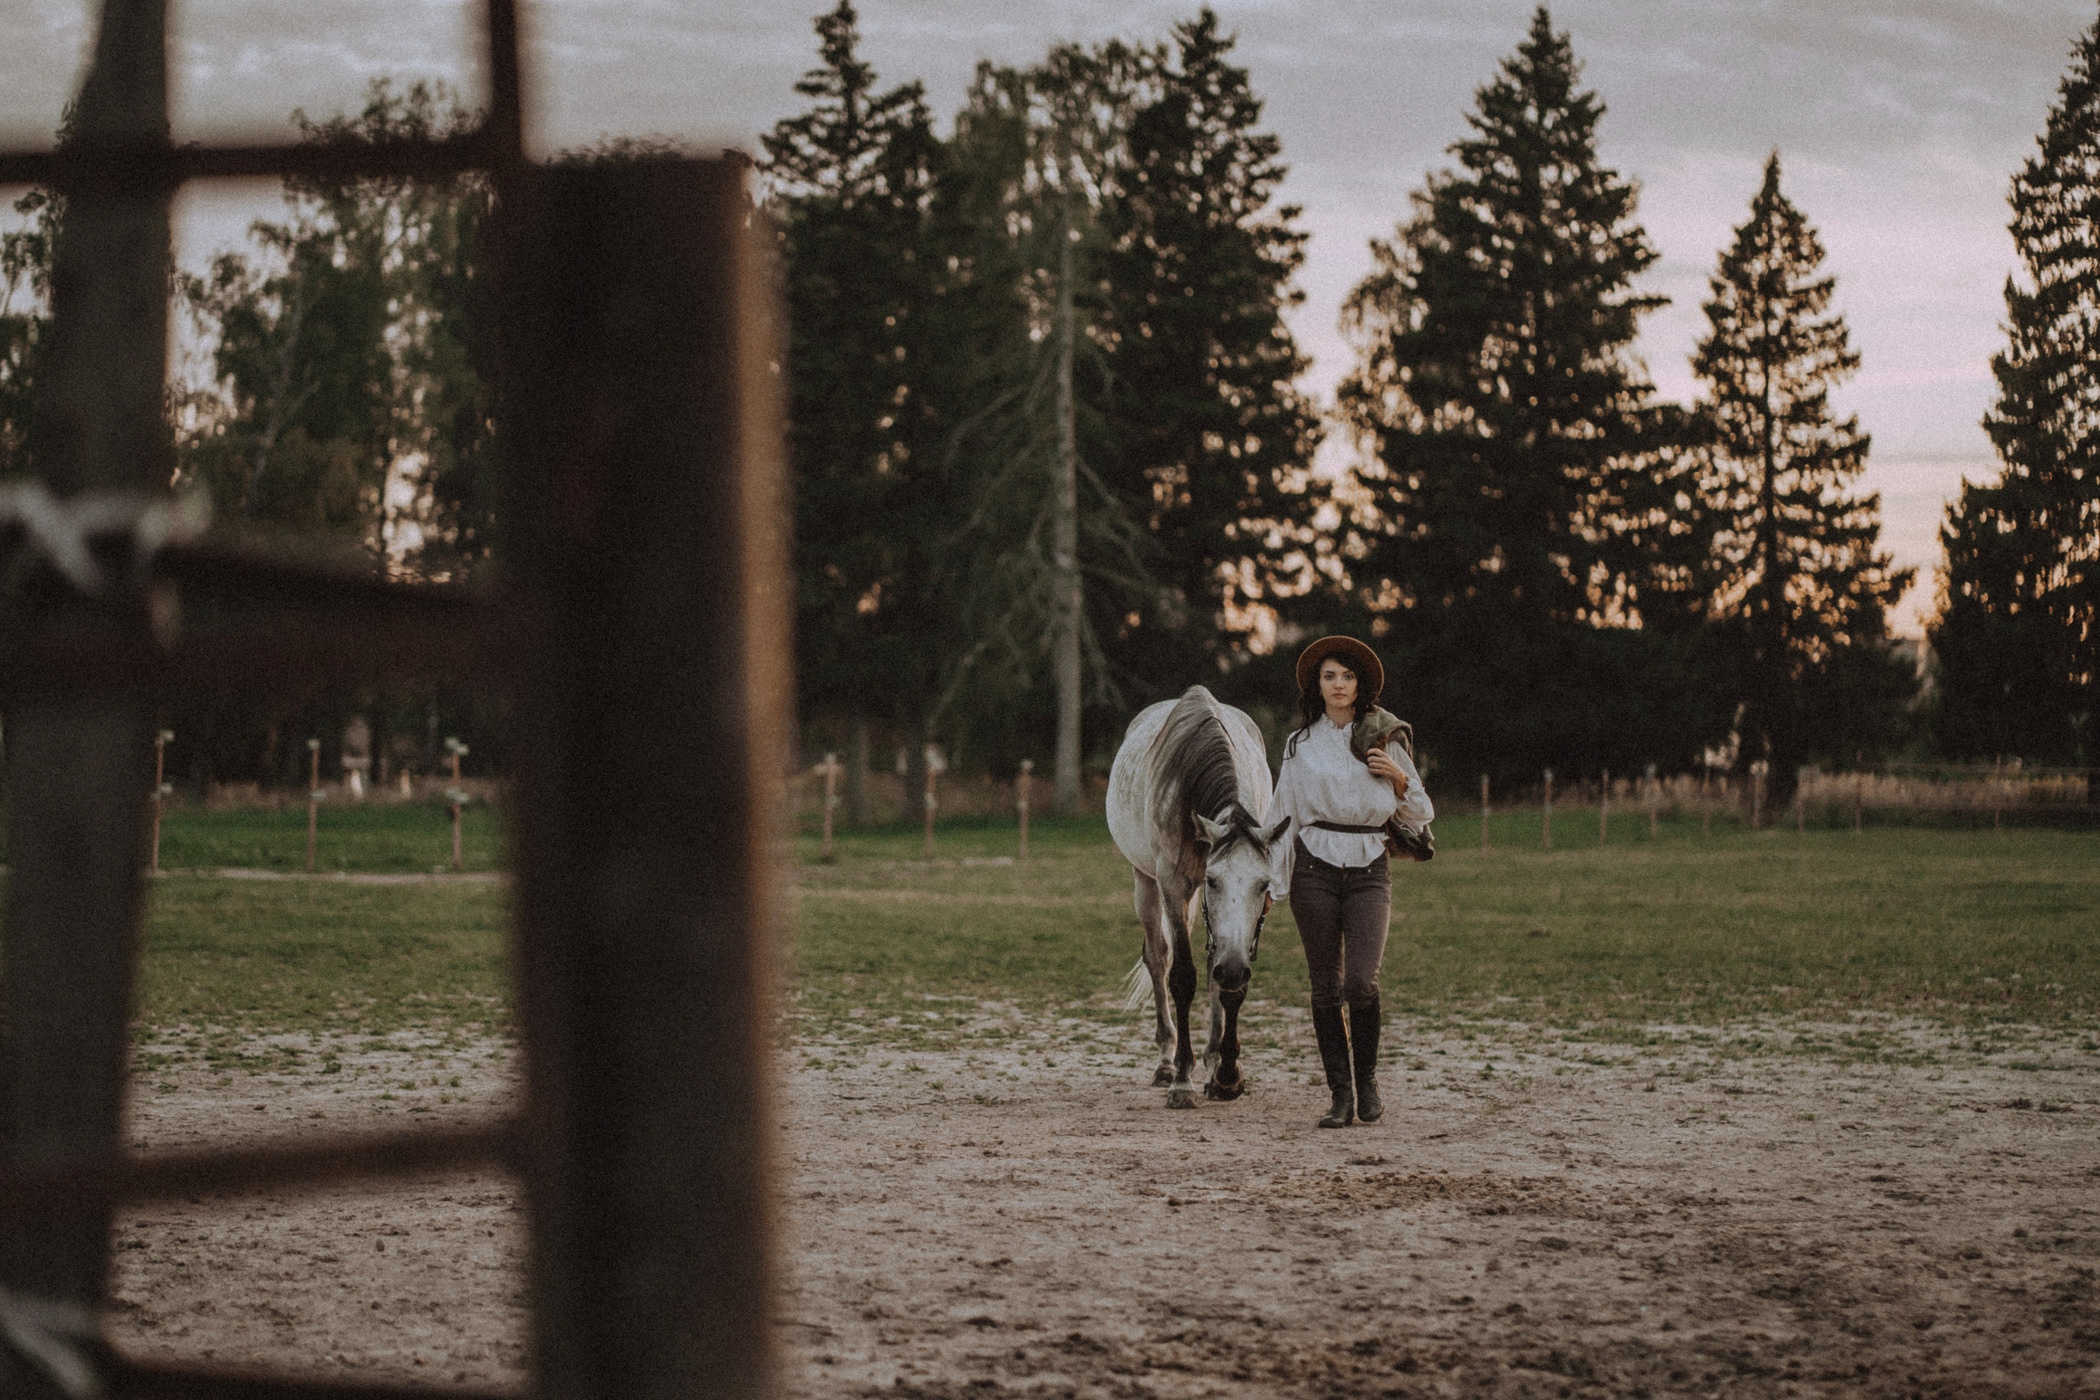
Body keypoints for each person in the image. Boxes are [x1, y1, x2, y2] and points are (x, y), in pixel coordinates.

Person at [1268, 636, 1433, 1128]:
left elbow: (1422, 813)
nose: (1338, 685)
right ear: (1316, 687)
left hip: (1369, 869)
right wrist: (1274, 885)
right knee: (1325, 988)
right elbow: (1283, 816)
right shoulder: (1299, 746)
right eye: (1329, 676)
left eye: (1347, 676)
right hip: (1313, 869)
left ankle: (1367, 1083)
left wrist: (1399, 782)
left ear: (1360, 685)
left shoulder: (1385, 740)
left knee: (1361, 983)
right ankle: (1339, 1096)